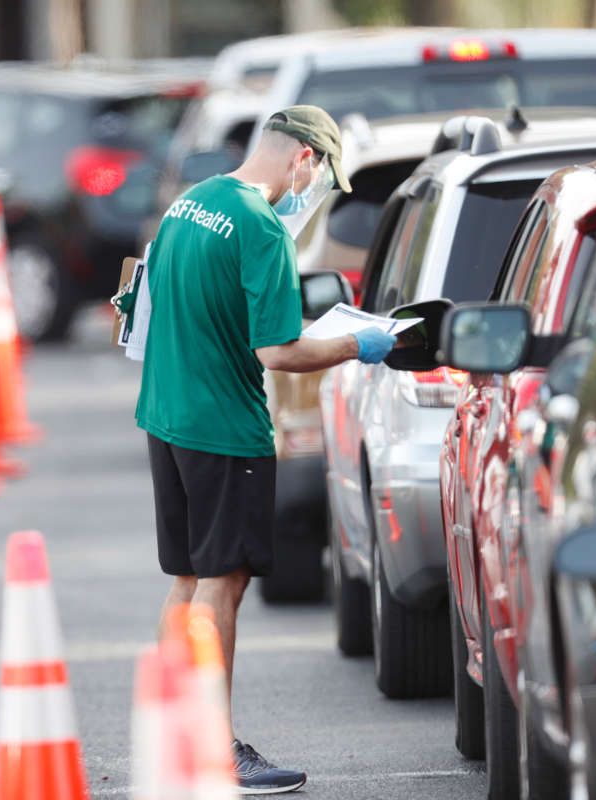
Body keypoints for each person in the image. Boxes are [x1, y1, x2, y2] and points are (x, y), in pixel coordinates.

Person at [134, 105, 402, 794]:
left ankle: (176, 732)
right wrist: (358, 344)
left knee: (189, 580)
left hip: (167, 416)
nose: (312, 193)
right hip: (225, 430)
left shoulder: (190, 204)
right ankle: (214, 747)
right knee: (223, 584)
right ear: (304, 160)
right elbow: (278, 352)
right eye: (320, 177)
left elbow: (149, 304)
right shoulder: (259, 226)